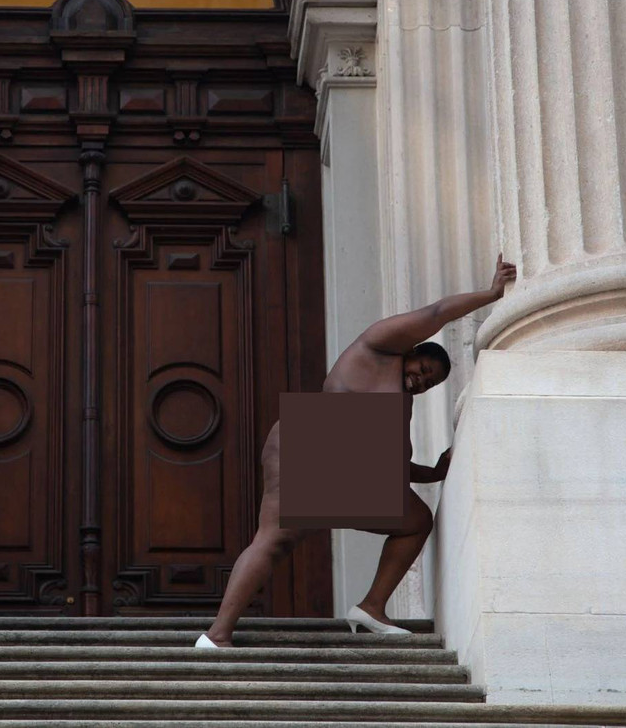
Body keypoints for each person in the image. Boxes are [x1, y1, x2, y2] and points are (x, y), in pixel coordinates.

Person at [195, 255, 518, 647]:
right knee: (274, 540)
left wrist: (434, 472)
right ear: (412, 351)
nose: (420, 380)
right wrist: (490, 294)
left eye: (429, 383)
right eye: (422, 369)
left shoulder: (394, 405)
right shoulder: (379, 346)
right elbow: (436, 312)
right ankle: (219, 633)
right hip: (317, 439)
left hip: (325, 447)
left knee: (411, 521)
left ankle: (369, 607)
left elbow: (388, 468)